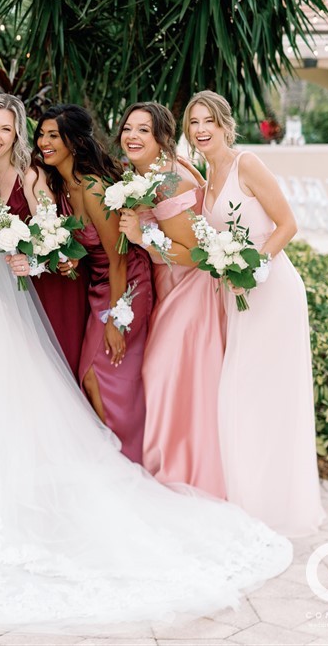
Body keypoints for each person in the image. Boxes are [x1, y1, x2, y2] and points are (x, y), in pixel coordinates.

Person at [0, 89, 292, 629]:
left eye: (7, 128)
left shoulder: (29, 179)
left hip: (42, 294)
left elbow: (88, 249)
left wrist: (66, 278)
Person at [188, 90, 325, 537]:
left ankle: (277, 506)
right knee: (240, 395)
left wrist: (253, 266)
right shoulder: (206, 178)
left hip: (274, 293)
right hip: (238, 297)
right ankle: (249, 499)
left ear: (226, 124)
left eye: (208, 120)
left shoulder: (247, 164)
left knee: (268, 397)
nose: (201, 130)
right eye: (193, 123)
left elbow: (287, 224)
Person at [114, 101, 227, 498]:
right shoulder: (140, 175)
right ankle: (183, 467)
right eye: (128, 128)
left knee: (162, 373)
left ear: (161, 137)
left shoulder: (170, 181)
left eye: (143, 130)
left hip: (190, 287)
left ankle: (177, 475)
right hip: (168, 285)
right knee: (181, 380)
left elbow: (195, 253)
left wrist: (142, 238)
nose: (132, 136)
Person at [34, 105, 153, 463]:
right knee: (88, 376)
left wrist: (117, 320)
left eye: (54, 135)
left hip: (127, 285)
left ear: (73, 140)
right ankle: (111, 459)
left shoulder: (92, 186)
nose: (44, 142)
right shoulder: (64, 185)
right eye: (42, 134)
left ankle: (126, 459)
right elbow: (90, 248)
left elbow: (117, 257)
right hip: (99, 285)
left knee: (100, 377)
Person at [0, 93, 89, 378]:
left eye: (5, 129)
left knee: (54, 370)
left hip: (53, 285)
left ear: (16, 135)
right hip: (10, 289)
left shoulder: (31, 176)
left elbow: (56, 239)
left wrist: (31, 262)